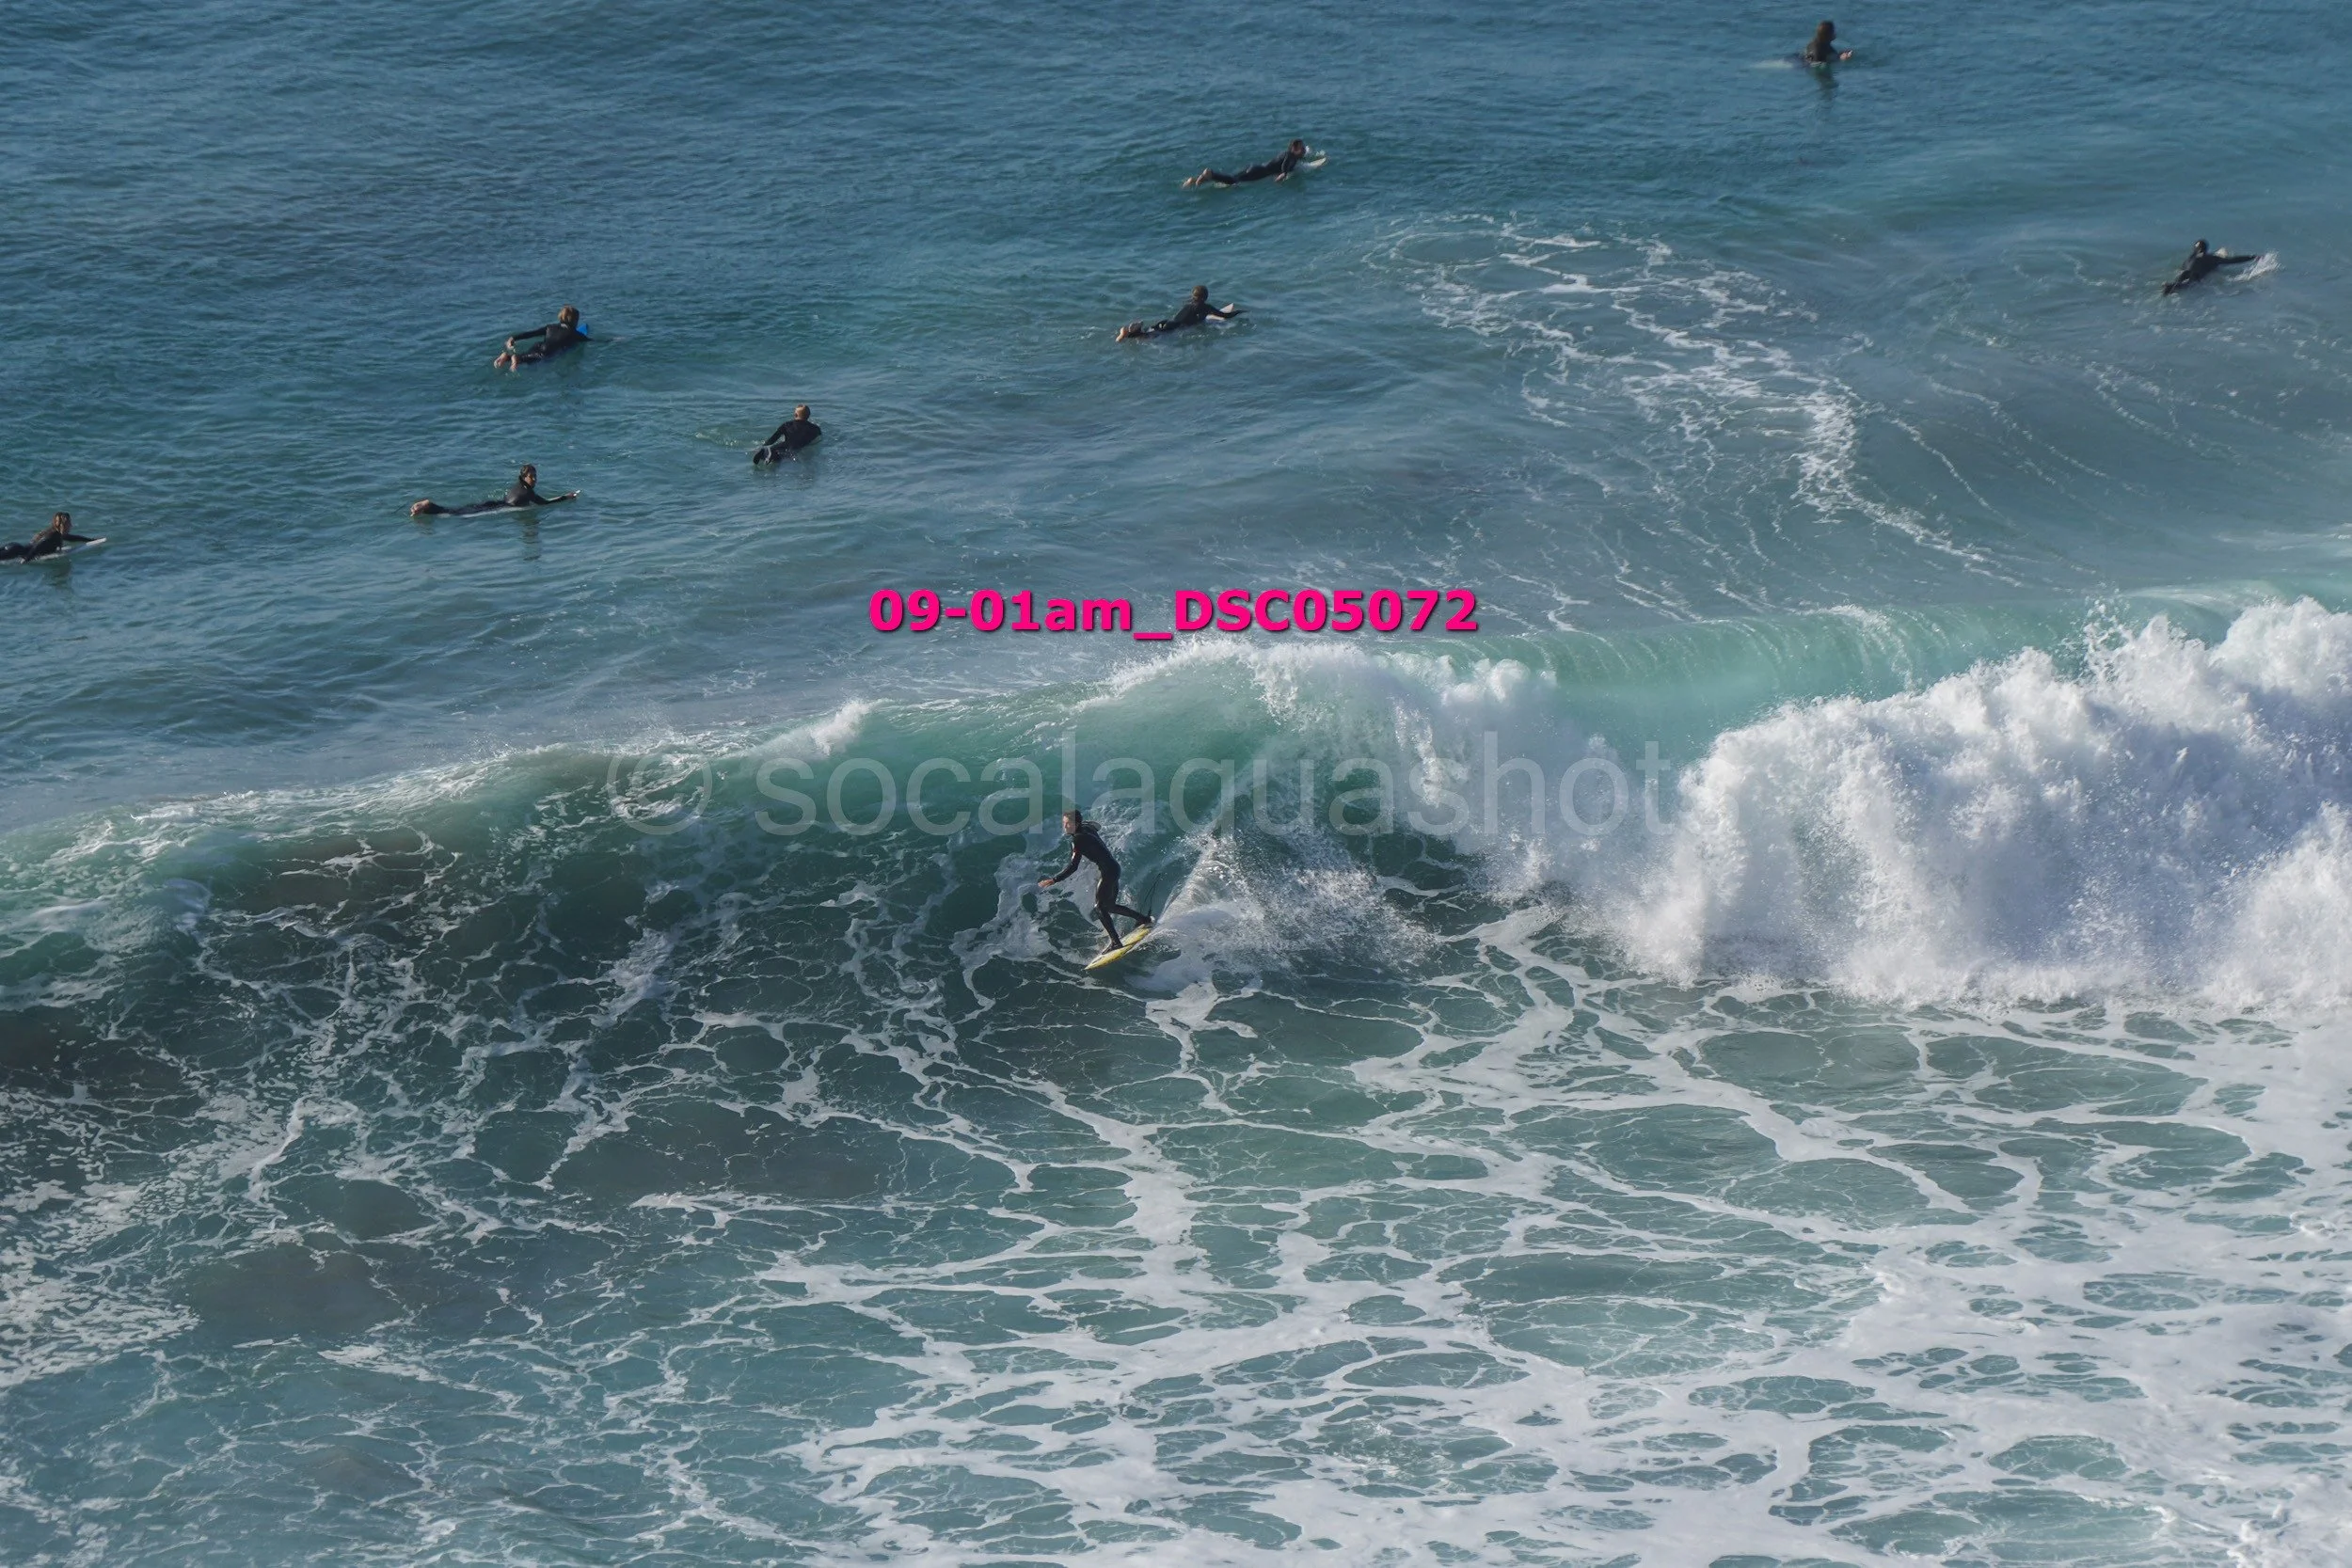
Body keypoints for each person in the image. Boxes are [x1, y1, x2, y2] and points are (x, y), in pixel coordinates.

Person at [1040, 809, 1152, 954]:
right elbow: (1095, 826)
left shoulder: (1077, 839)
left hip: (1108, 872)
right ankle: (1143, 919)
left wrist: (1054, 880)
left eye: (1068, 824)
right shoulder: (1086, 828)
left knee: (1100, 907)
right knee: (1109, 906)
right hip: (1114, 868)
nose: (1065, 827)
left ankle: (1116, 942)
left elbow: (1073, 866)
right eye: (1064, 823)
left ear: (1076, 823)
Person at [408, 465, 579, 517]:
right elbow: (545, 503)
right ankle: (428, 505)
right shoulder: (528, 493)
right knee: (455, 514)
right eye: (531, 477)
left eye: (535, 476)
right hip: (494, 508)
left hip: (493, 504)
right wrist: (566, 497)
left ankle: (426, 508)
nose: (534, 479)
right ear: (524, 477)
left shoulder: (519, 486)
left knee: (455, 511)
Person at [1117, 285, 1239, 341]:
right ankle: (1133, 332)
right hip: (1176, 328)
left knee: (1150, 332)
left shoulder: (1188, 304)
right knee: (1149, 337)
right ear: (1205, 297)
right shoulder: (1206, 307)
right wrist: (1239, 312)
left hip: (1168, 322)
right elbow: (1225, 316)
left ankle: (1126, 332)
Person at [1184, 139, 1311, 188]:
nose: (1304, 149)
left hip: (1256, 168)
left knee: (1235, 177)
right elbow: (1286, 164)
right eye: (1301, 148)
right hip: (1260, 172)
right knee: (1234, 181)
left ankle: (1196, 180)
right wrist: (1284, 174)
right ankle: (1211, 174)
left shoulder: (1289, 154)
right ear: (1294, 148)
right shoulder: (1290, 155)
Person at [494, 305, 589, 369]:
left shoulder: (550, 327)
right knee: (535, 361)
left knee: (526, 356)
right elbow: (589, 340)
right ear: (574, 321)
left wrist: (514, 338)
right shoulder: (574, 333)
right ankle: (515, 358)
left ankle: (507, 357)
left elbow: (531, 333)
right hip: (548, 351)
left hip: (539, 345)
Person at [2163, 239, 2264, 294]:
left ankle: (2171, 286)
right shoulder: (2211, 258)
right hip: (2196, 275)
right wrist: (2253, 257)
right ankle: (2176, 287)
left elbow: (2183, 268)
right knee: (2188, 284)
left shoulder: (2189, 258)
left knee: (2179, 281)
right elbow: (2232, 260)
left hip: (2185, 272)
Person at [2, 512, 94, 562]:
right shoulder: (54, 535)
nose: (71, 525)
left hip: (14, 547)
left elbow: (73, 538)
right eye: (69, 523)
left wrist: (91, 540)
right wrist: (27, 559)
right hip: (15, 552)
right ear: (63, 525)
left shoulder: (55, 533)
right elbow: (40, 545)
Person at [754, 404, 822, 464]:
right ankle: (772, 456)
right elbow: (817, 441)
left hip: (782, 445)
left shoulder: (787, 424)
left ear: (795, 415)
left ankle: (764, 450)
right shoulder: (815, 429)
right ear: (809, 415)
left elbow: (773, 438)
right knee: (781, 459)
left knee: (772, 450)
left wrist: (763, 445)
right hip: (794, 448)